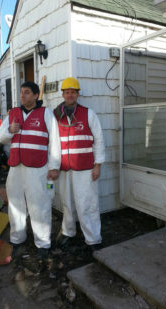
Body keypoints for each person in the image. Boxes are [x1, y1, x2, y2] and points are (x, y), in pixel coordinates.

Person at [0, 81, 61, 258]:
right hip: (16, 168)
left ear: (35, 95)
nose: (22, 95)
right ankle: (17, 238)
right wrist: (10, 130)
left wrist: (54, 166)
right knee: (15, 204)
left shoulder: (45, 113)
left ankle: (43, 243)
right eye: (21, 92)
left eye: (26, 92)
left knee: (39, 205)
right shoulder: (13, 114)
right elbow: (1, 138)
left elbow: (55, 141)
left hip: (38, 168)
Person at [54, 77, 105, 252]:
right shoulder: (55, 115)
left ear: (77, 94)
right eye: (67, 92)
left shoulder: (88, 113)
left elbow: (98, 140)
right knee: (66, 202)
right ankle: (68, 232)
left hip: (85, 168)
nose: (70, 95)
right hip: (64, 168)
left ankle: (93, 239)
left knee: (87, 204)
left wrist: (98, 164)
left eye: (73, 92)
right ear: (63, 94)